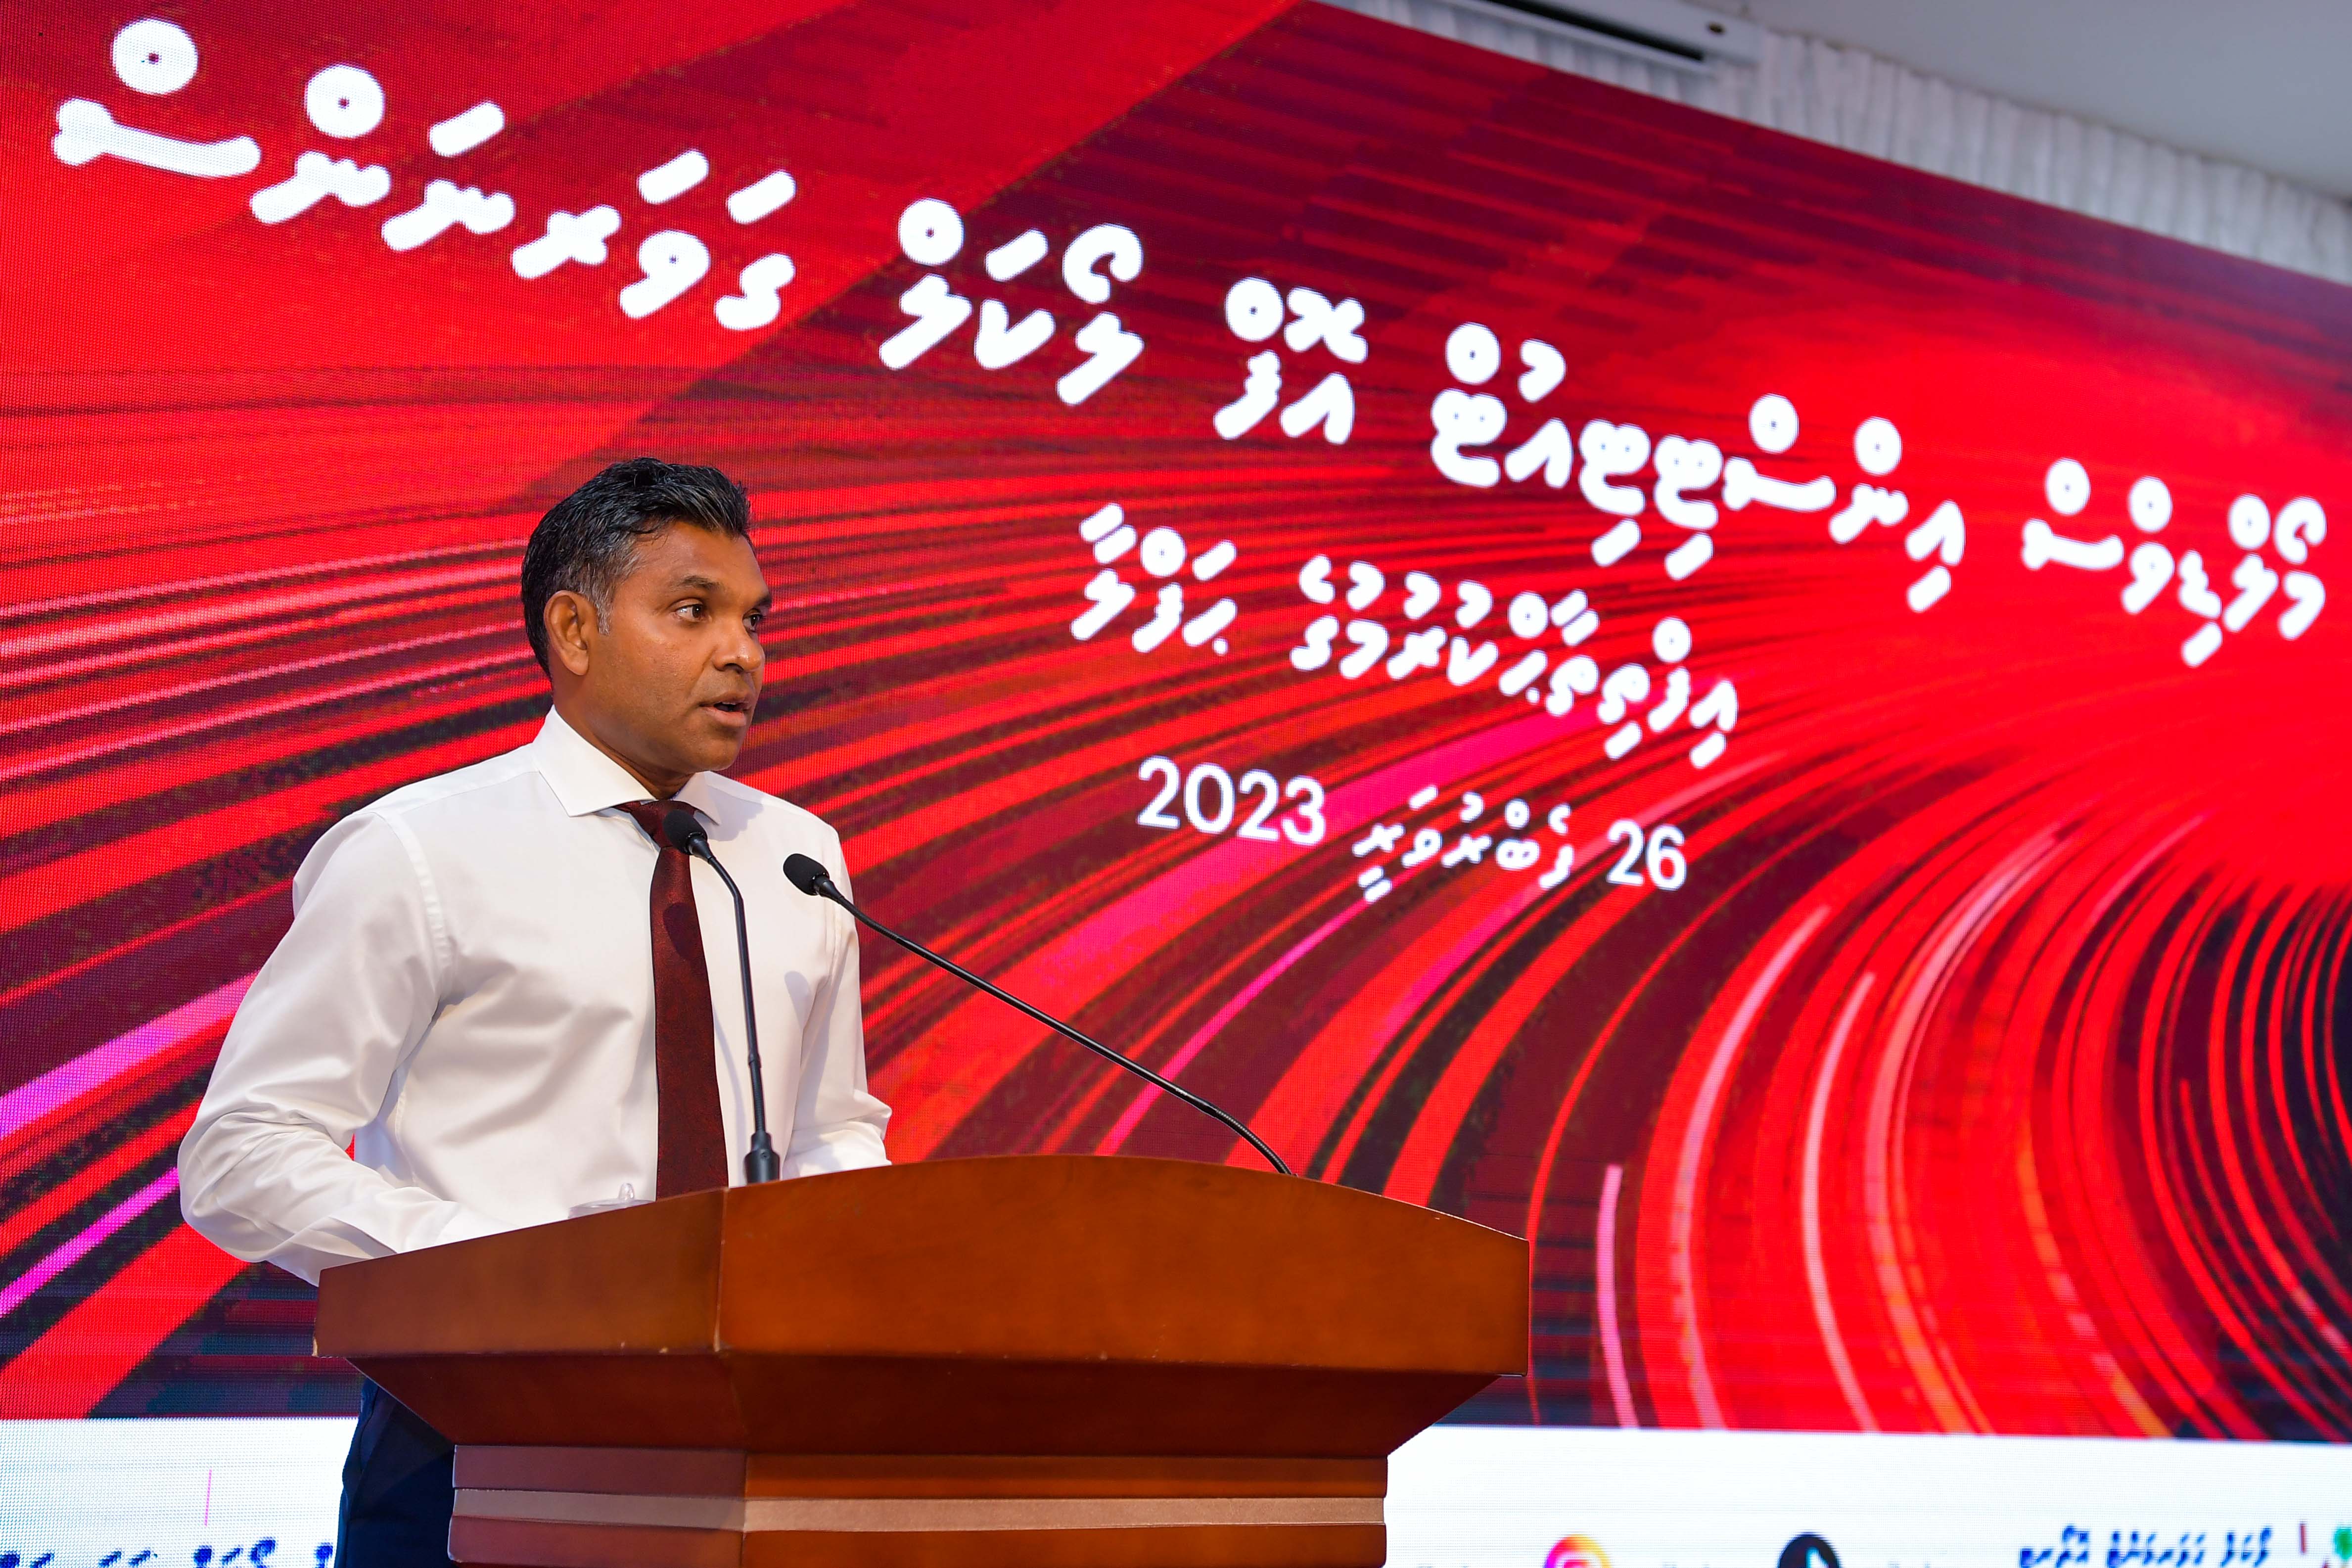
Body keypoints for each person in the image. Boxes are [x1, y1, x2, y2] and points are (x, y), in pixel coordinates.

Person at [178, 458, 890, 1567]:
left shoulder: (797, 855)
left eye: (755, 619)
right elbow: (242, 1153)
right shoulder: (421, 849)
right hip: (474, 1430)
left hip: (755, 1442)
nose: (742, 653)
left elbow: (830, 1129)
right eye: (693, 612)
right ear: (573, 627)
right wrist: (508, 1273)